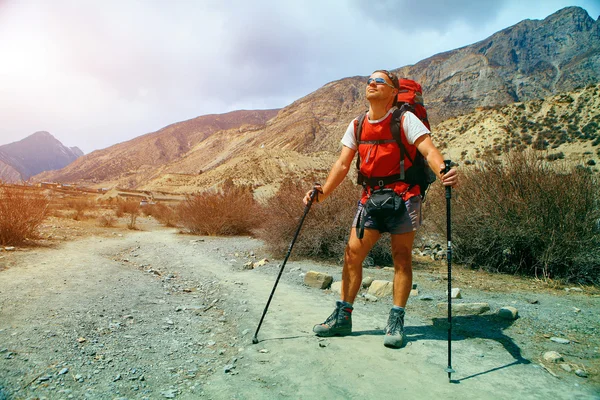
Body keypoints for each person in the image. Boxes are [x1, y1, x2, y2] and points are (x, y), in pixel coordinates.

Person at [303, 69, 458, 349]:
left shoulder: (405, 119)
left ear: (393, 93)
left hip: (405, 196)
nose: (372, 84)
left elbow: (429, 150)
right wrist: (322, 194)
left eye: (380, 82)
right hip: (371, 198)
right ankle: (342, 317)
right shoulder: (358, 124)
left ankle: (396, 321)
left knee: (402, 257)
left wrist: (443, 171)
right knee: (352, 255)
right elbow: (342, 165)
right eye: (370, 81)